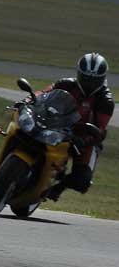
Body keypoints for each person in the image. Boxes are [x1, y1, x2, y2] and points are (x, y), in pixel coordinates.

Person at [44, 53, 114, 201]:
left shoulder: (105, 100)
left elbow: (100, 129)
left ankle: (59, 187)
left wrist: (85, 140)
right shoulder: (65, 84)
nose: (89, 83)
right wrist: (28, 100)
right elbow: (42, 94)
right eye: (86, 78)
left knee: (82, 181)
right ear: (79, 74)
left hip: (85, 138)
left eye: (94, 80)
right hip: (58, 125)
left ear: (102, 79)